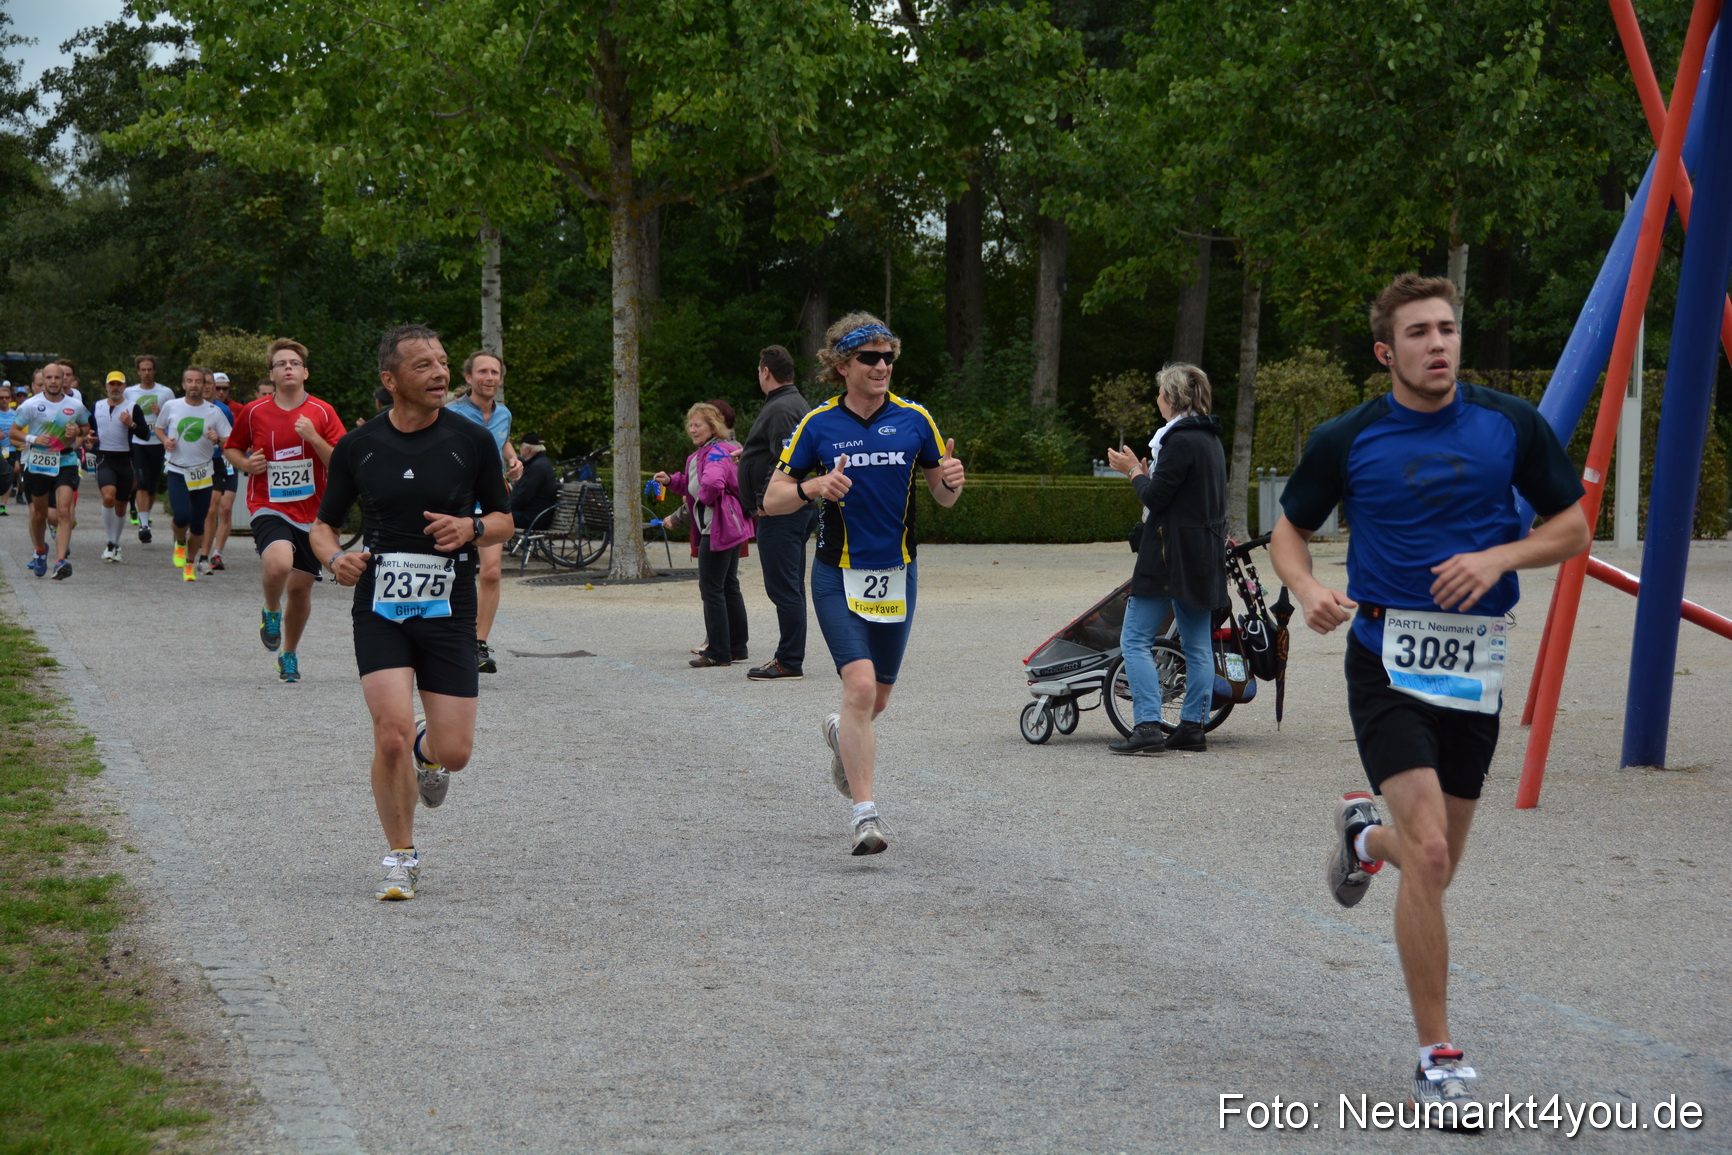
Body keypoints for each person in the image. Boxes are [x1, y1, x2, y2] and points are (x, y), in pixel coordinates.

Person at [1269, 273, 1590, 1129]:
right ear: (1387, 351)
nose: (1438, 344)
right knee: (1435, 853)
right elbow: (1288, 527)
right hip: (1385, 662)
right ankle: (1437, 1055)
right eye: (1418, 333)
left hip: (1474, 668)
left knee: (1431, 859)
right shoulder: (1349, 437)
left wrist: (1498, 559)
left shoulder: (1509, 425)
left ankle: (1362, 837)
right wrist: (1306, 587)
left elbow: (1573, 526)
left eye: (1447, 329)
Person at [310, 323, 512, 901]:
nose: (441, 373)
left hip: (449, 609)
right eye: (423, 365)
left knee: (455, 753)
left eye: (443, 362)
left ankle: (431, 750)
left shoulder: (471, 440)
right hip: (380, 605)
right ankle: (400, 857)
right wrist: (332, 558)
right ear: (390, 379)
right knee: (388, 734)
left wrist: (472, 527)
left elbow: (504, 520)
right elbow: (324, 526)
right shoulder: (358, 446)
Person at [762, 312, 966, 855]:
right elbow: (772, 499)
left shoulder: (916, 419)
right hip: (836, 575)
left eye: (888, 357)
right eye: (869, 358)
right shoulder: (818, 425)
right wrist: (814, 486)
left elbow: (942, 498)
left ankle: (837, 732)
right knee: (857, 687)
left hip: (898, 576)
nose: (881, 366)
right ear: (842, 365)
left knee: (874, 702)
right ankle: (865, 816)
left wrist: (951, 483)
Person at [1104, 363, 1228, 754]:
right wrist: (1146, 473)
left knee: (1135, 639)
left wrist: (1131, 474)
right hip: (1202, 554)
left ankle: (1146, 726)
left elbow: (1157, 500)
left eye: (1160, 394)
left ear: (1171, 399)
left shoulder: (1179, 440)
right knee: (1197, 645)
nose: (1156, 399)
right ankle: (1193, 726)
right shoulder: (1209, 439)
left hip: (1168, 554)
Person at [223, 339, 346, 683]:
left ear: (305, 372)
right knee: (278, 564)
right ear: (273, 374)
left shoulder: (322, 412)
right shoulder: (254, 411)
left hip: (315, 513)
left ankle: (288, 654)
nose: (288, 367)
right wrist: (247, 463)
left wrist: (313, 437)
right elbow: (231, 448)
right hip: (269, 505)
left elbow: (341, 461)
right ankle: (271, 610)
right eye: (281, 363)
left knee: (300, 589)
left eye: (294, 362)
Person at [737, 344, 815, 681]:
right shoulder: (790, 403)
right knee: (790, 587)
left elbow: (789, 464)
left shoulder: (782, 408)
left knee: (784, 588)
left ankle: (789, 661)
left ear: (765, 371)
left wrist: (770, 501)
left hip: (782, 513)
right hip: (791, 510)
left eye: (758, 369)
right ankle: (790, 656)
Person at [653, 402, 752, 668]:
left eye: (698, 424)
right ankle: (737, 646)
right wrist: (670, 481)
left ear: (712, 425)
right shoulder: (724, 449)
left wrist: (706, 499)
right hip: (733, 526)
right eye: (691, 424)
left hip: (716, 528)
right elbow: (692, 484)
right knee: (729, 585)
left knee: (712, 589)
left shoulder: (714, 453)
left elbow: (709, 484)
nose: (692, 429)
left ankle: (718, 652)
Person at [446, 351, 521, 674]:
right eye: (483, 372)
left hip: (489, 501)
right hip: (454, 499)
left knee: (490, 572)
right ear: (468, 378)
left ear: (500, 378)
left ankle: (478, 642)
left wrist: (514, 461)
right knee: (451, 572)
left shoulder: (504, 414)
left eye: (494, 372)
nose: (489, 377)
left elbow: (502, 443)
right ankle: (446, 637)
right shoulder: (451, 412)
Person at [10, 366, 89, 579]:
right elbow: (13, 432)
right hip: (38, 462)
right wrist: (33, 439)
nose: (53, 381)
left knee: (64, 511)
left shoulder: (75, 405)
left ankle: (60, 561)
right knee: (39, 514)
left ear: (64, 379)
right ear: (43, 380)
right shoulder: (31, 405)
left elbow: (86, 427)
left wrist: (77, 432)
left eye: (57, 377)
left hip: (66, 460)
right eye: (49, 377)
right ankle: (40, 550)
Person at [155, 367, 232, 582]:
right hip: (177, 469)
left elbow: (229, 440)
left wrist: (216, 438)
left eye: (199, 381)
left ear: (205, 385)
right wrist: (165, 440)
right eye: (190, 381)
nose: (195, 385)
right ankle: (180, 542)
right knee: (181, 516)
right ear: (183, 385)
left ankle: (189, 563)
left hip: (203, 473)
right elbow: (159, 428)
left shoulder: (213, 411)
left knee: (198, 524)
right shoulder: (171, 406)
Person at [88, 371, 138, 562]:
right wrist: (89, 438)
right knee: (108, 496)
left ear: (124, 387)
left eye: (119, 384)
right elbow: (90, 428)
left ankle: (116, 543)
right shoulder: (97, 406)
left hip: (126, 461)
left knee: (120, 504)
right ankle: (109, 542)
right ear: (106, 386)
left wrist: (131, 423)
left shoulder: (132, 407)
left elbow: (142, 432)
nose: (115, 388)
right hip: (105, 459)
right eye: (112, 384)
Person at [125, 355, 174, 543]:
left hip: (158, 444)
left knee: (152, 487)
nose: (146, 373)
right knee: (142, 483)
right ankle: (144, 525)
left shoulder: (166, 392)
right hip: (138, 443)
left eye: (149, 369)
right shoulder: (129, 392)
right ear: (138, 372)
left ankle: (145, 515)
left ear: (154, 371)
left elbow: (175, 417)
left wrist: (160, 413)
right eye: (143, 369)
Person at [199, 371, 239, 571]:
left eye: (211, 384)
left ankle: (216, 553)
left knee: (224, 507)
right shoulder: (185, 408)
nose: (207, 387)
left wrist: (219, 440)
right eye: (203, 383)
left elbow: (231, 441)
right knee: (204, 510)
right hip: (198, 463)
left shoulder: (224, 410)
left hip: (223, 461)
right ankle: (190, 539)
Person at [509, 433, 558, 529]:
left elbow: (522, 495)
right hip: (535, 515)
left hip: (534, 518)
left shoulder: (537, 467)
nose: (519, 449)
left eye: (520, 447)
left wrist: (502, 509)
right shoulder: (540, 463)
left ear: (528, 449)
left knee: (493, 517)